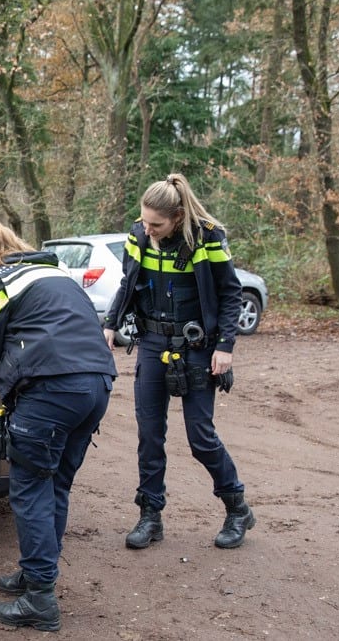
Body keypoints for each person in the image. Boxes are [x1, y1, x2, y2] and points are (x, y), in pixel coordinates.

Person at [0, 222, 117, 632]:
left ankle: (40, 601)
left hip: (51, 390)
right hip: (97, 385)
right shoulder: (53, 273)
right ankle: (37, 576)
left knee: (28, 488)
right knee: (56, 485)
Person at [103, 174, 255, 551]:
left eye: (157, 224)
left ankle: (237, 508)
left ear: (178, 216)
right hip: (153, 343)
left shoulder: (207, 237)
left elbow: (230, 293)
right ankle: (150, 515)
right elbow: (128, 281)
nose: (149, 230)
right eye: (145, 222)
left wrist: (225, 346)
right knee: (149, 435)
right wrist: (110, 322)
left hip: (198, 346)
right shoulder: (138, 235)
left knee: (200, 438)